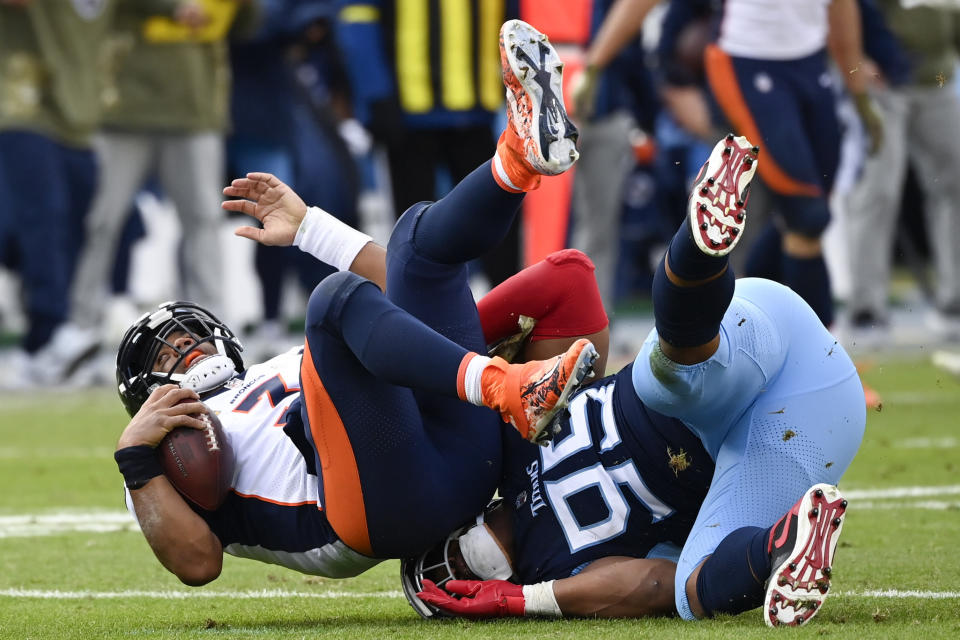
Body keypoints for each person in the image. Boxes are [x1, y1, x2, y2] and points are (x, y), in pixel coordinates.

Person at [113, 19, 600, 582]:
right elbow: (199, 565)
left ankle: (518, 161)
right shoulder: (158, 453)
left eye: (186, 338)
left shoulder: (274, 367)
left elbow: (401, 296)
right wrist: (135, 459)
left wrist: (310, 229)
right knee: (335, 301)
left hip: (453, 445)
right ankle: (509, 389)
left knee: (489, 261)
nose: (185, 353)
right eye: (165, 356)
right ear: (145, 395)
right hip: (374, 510)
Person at [410, 133, 865, 627]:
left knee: (664, 381)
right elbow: (651, 586)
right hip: (804, 427)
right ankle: (788, 543)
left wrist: (463, 354)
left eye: (443, 562)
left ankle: (701, 242)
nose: (457, 568)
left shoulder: (508, 431)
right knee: (691, 590)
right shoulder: (554, 574)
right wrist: (526, 600)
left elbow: (570, 278)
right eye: (453, 580)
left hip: (744, 346)